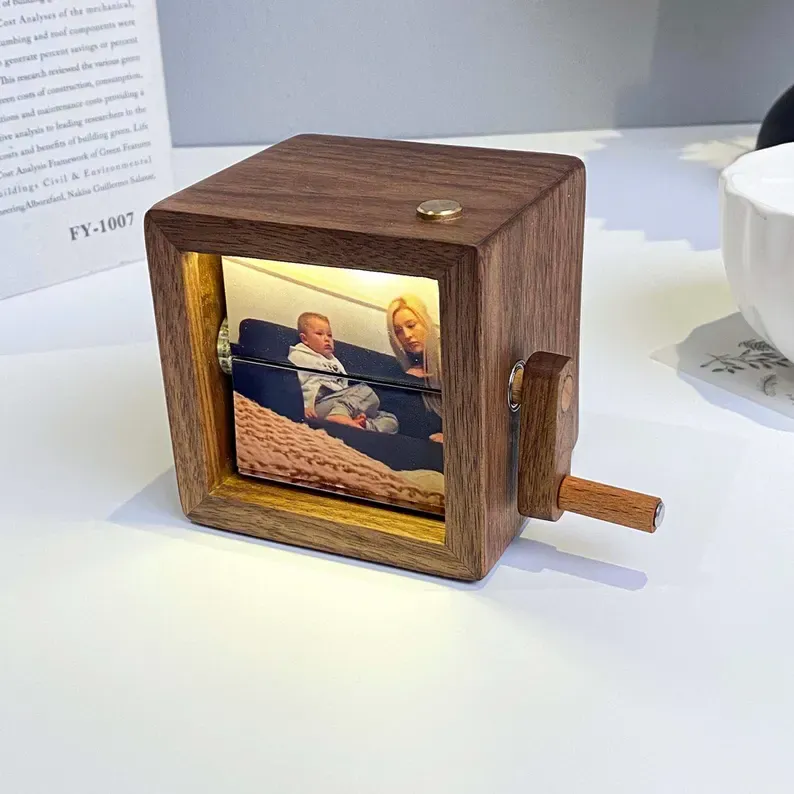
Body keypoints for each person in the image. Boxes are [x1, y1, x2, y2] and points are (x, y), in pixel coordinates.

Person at [288, 312, 398, 433]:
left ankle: (360, 426)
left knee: (390, 419)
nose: (327, 339)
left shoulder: (334, 361)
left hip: (340, 404)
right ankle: (339, 416)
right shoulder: (300, 355)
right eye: (319, 334)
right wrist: (303, 406)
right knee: (365, 391)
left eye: (329, 335)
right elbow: (293, 384)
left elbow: (345, 389)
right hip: (316, 407)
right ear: (305, 339)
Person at [386, 295, 443, 443]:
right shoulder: (397, 374)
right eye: (398, 331)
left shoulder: (452, 360)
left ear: (425, 322)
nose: (407, 335)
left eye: (411, 325)